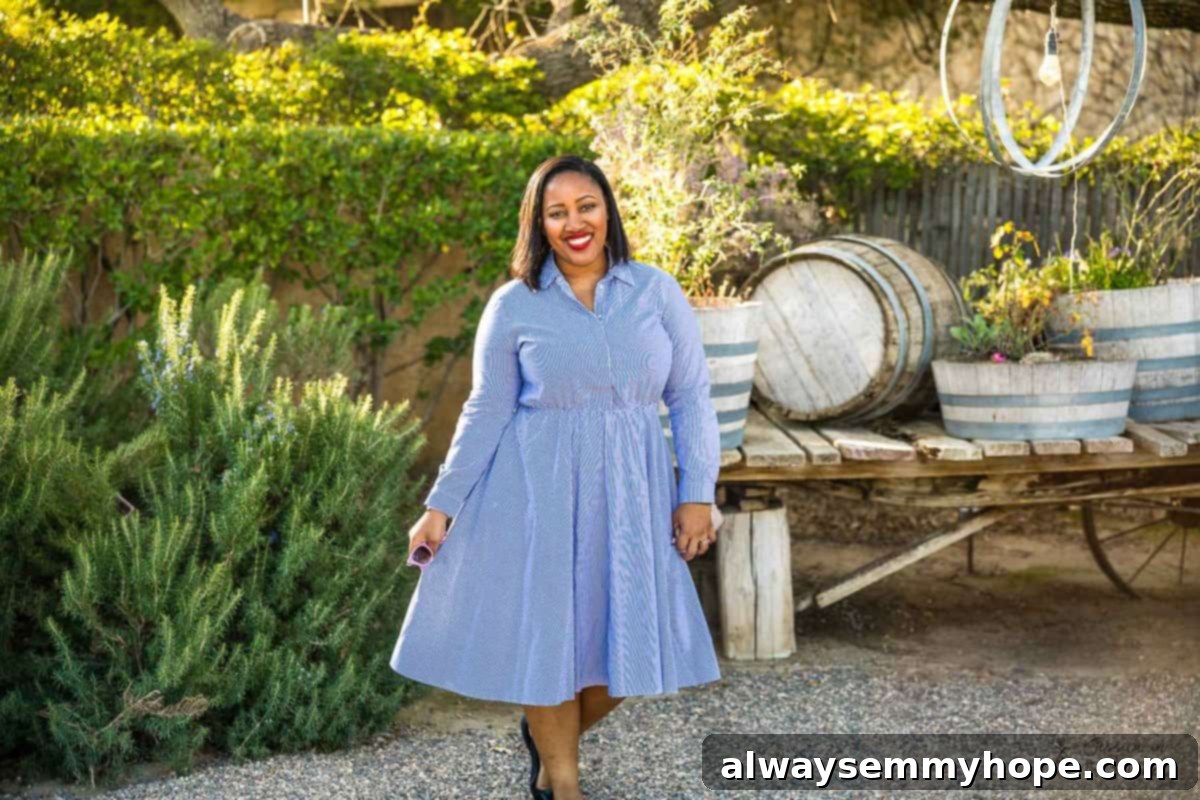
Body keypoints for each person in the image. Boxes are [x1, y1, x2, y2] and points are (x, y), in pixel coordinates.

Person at [390, 154, 722, 800]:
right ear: (539, 225)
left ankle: (547, 741)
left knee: (632, 653)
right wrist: (441, 505)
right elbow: (486, 408)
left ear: (608, 212)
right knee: (548, 645)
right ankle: (562, 785)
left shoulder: (656, 291)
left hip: (635, 496)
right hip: (535, 497)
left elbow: (691, 397)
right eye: (558, 212)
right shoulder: (514, 305)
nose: (576, 223)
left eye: (587, 206)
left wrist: (697, 493)